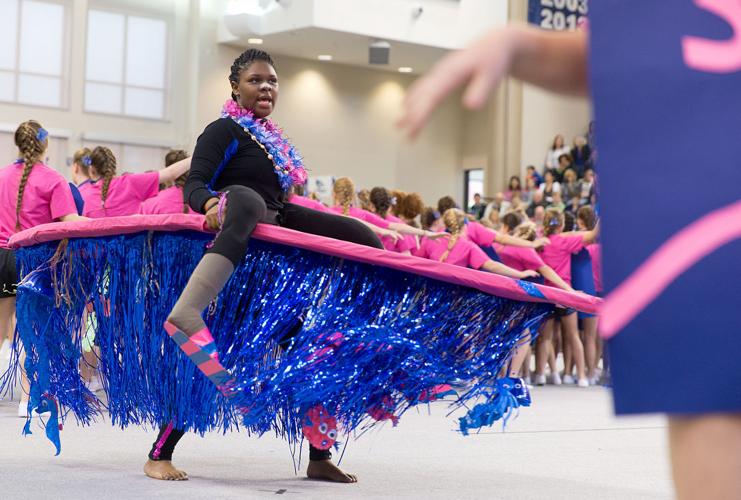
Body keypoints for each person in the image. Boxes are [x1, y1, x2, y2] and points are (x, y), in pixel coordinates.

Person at [147, 49, 388, 484]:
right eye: (256, 80)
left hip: (273, 273)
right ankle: (159, 451)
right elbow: (196, 184)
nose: (266, 88)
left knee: (362, 240)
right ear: (235, 87)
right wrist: (209, 205)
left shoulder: (272, 140)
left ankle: (319, 456)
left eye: (273, 81)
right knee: (211, 363)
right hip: (235, 269)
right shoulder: (222, 130)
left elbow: (282, 204)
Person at [0, 120, 86, 416]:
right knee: (30, 332)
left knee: (0, 330)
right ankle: (27, 399)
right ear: (45, 145)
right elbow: (69, 221)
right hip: (32, 260)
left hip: (2, 256)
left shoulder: (1, 176)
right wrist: (104, 225)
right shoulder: (52, 179)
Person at [536, 209, 599, 388]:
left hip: (546, 293)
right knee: (572, 335)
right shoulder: (564, 241)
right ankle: (581, 376)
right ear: (562, 224)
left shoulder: (541, 242)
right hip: (565, 293)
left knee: (545, 338)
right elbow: (594, 234)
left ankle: (541, 374)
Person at [416, 209, 538, 281]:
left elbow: (415, 261)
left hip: (430, 293)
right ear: (465, 224)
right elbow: (492, 266)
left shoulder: (430, 239)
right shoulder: (467, 246)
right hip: (455, 297)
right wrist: (520, 274)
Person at [78, 147, 191, 218]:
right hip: (132, 253)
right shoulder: (130, 183)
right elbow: (171, 173)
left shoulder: (84, 195)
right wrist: (198, 156)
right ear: (113, 167)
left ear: (91, 170)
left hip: (98, 254)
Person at [368, 187, 417, 254]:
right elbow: (406, 256)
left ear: (371, 206)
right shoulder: (399, 225)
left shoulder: (365, 222)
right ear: (390, 207)